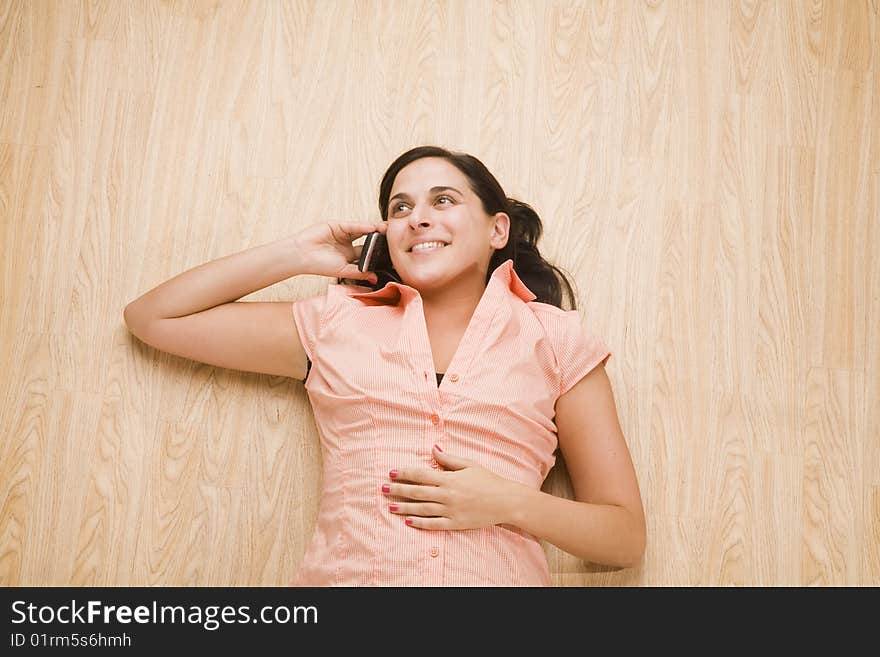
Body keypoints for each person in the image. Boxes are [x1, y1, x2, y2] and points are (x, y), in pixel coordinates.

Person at [124, 145, 645, 586]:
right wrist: (297, 253)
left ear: (497, 229)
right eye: (400, 207)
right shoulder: (337, 325)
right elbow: (153, 318)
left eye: (443, 200)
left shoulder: (555, 339)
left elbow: (623, 537)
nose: (418, 217)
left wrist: (507, 502)